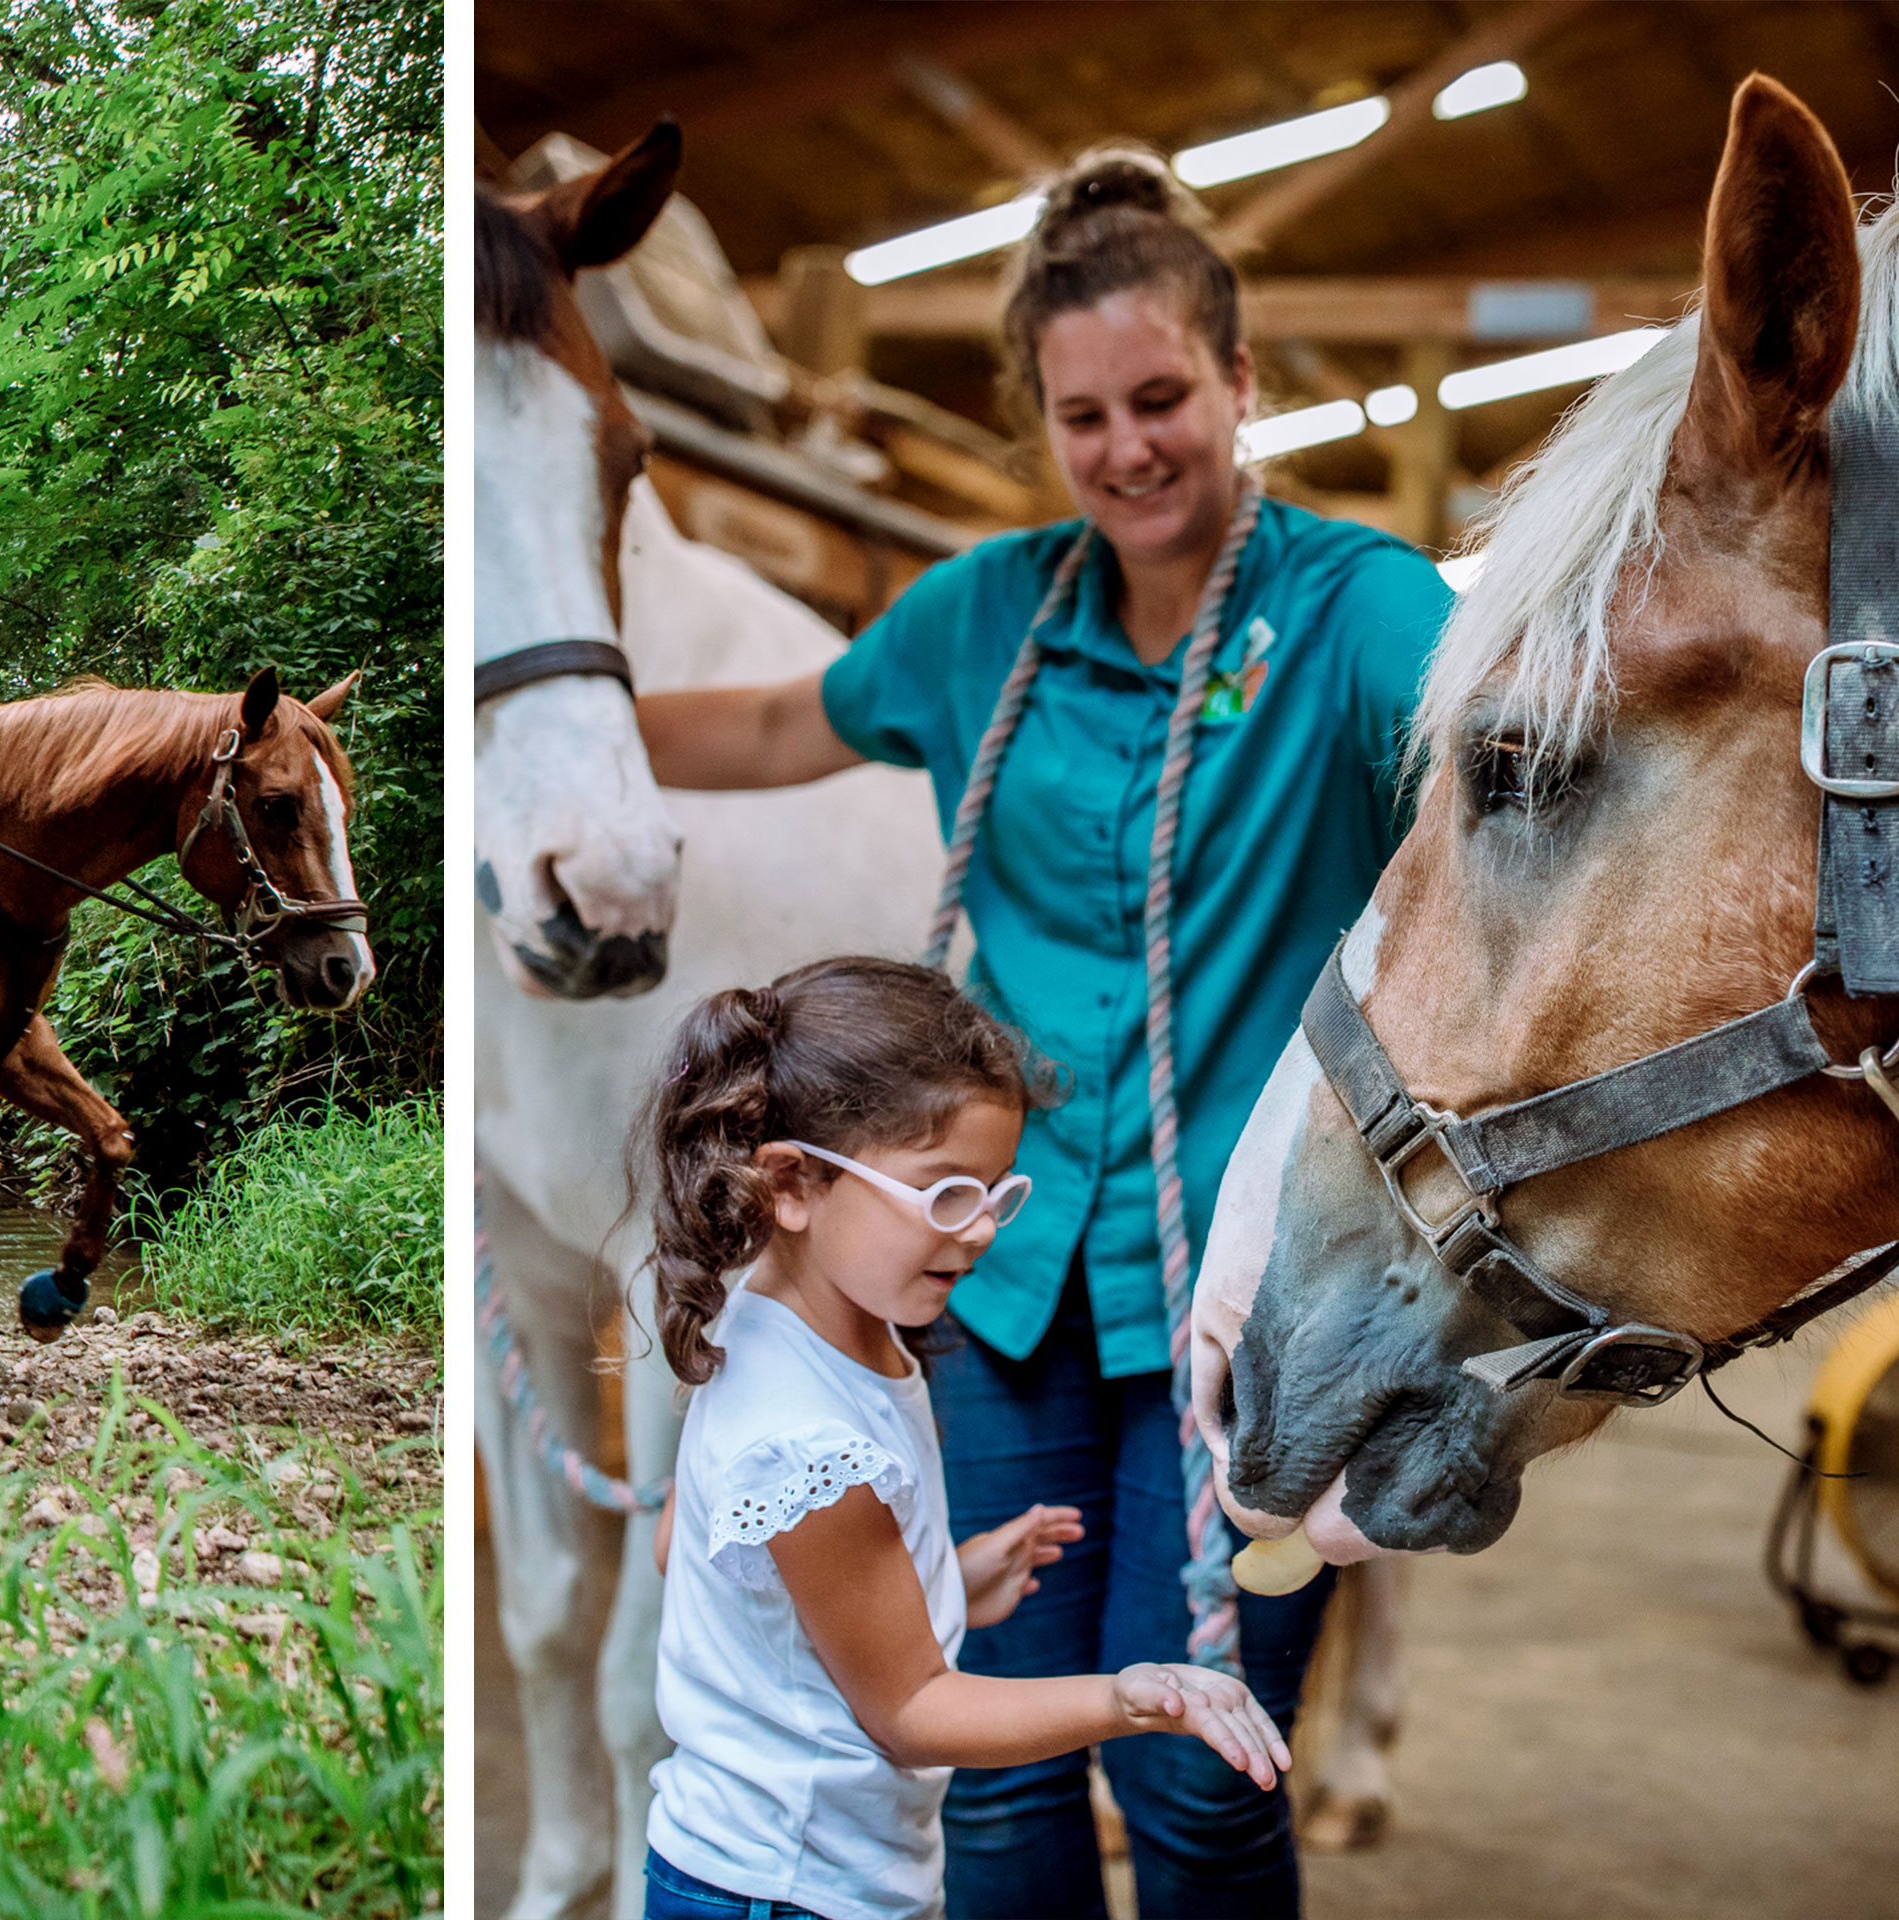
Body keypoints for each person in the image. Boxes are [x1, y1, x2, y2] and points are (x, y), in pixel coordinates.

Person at [633, 149, 1453, 1918]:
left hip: (1244, 1297)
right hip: (995, 1274)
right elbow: (786, 721)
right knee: (991, 1788)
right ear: (1046, 429)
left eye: (1164, 399)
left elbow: (1502, 732)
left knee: (1200, 1773)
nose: (1129, 447)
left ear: (1241, 385)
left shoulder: (1352, 610)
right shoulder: (986, 616)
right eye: (1085, 418)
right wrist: (534, 716)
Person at [633, 956, 1288, 1920]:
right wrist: (1129, 1699)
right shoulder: (804, 1436)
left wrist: (941, 1583)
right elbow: (910, 1715)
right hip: (788, 1892)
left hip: (777, 1873)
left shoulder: (788, 1318)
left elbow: (686, 1555)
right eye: (945, 1197)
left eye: (996, 1194)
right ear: (794, 1183)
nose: (981, 1232)